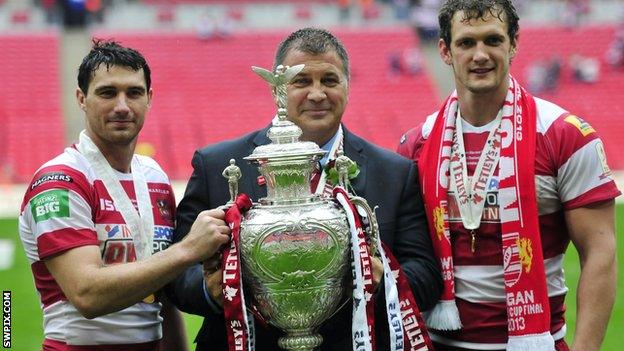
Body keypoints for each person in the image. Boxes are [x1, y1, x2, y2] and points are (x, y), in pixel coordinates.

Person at [167, 27, 442, 350]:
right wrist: (213, 291)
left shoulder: (394, 173)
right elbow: (178, 274)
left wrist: (381, 279)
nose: (316, 94)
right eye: (301, 81)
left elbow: (426, 277)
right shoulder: (218, 168)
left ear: (347, 86)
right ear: (277, 90)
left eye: (329, 80)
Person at [397, 1, 620, 350]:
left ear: (513, 44)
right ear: (444, 50)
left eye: (493, 40)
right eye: (466, 42)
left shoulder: (566, 136)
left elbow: (599, 251)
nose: (480, 54)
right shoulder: (417, 143)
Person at [18, 40, 231, 351]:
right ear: (82, 99)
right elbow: (87, 295)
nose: (122, 106)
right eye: (107, 93)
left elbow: (162, 292)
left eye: (134, 92)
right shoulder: (61, 180)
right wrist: (188, 250)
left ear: (149, 98)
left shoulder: (154, 177)